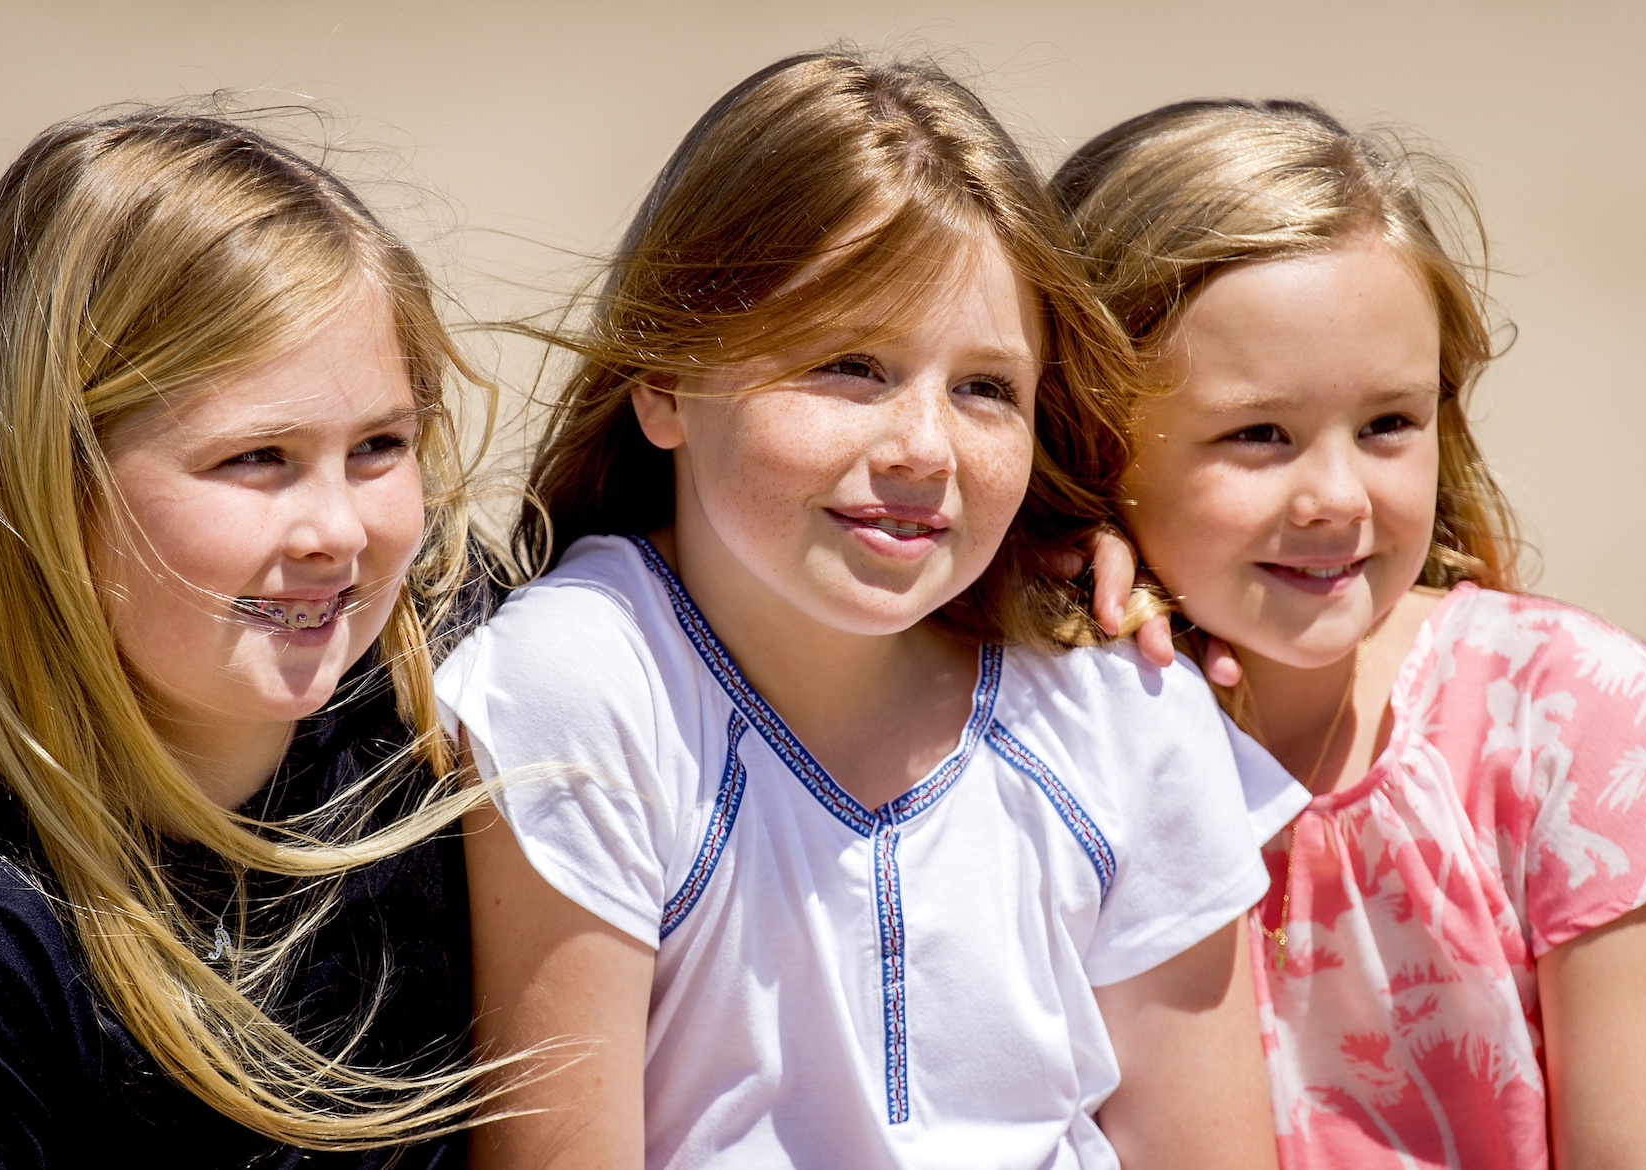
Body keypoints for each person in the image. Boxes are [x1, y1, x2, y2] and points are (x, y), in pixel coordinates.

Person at [434, 52, 1304, 1170]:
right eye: (849, 366)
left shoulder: (1120, 703)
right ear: (662, 384)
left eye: (985, 388)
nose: (922, 450)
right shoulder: (582, 681)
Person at [1056, 98, 1646, 1170]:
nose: (1335, 498)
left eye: (1386, 424)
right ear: (1085, 430)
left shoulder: (1573, 721)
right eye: (1256, 434)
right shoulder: (1020, 722)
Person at [0, 107, 513, 1166]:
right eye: (257, 457)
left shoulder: (453, 692)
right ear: (55, 483)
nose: (337, 532)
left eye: (380, 445)